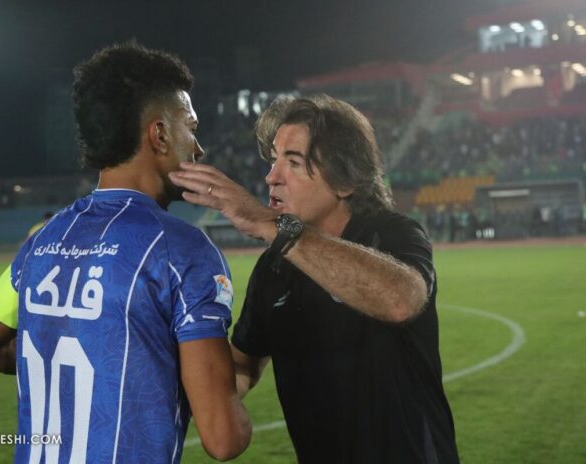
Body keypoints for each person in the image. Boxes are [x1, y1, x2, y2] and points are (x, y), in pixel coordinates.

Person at [0, 42, 251, 463]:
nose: (199, 149)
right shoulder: (182, 250)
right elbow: (224, 439)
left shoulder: (42, 240)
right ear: (159, 134)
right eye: (192, 127)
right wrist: (255, 358)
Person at [169, 95, 460, 463]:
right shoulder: (274, 267)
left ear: (344, 180)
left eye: (293, 162)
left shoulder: (389, 233)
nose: (272, 177)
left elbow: (401, 300)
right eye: (273, 160)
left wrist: (274, 227)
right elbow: (242, 365)